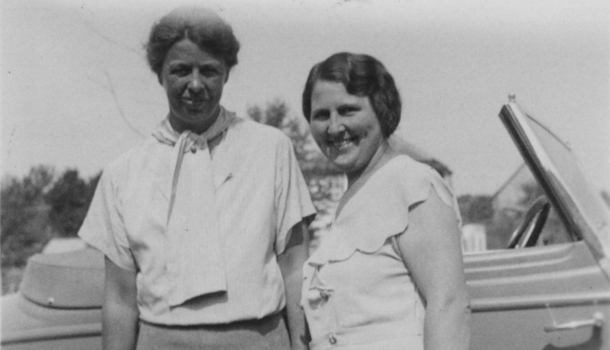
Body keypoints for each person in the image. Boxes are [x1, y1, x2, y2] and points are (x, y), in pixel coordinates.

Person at [78, 7, 315, 350]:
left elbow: (294, 266)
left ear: (226, 74)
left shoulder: (271, 149)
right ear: (159, 73)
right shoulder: (123, 174)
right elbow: (119, 298)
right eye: (180, 70)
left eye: (209, 71)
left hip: (260, 339)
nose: (195, 84)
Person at [300, 52, 470, 350]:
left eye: (348, 110)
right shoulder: (353, 199)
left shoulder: (413, 183)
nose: (334, 127)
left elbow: (449, 305)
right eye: (322, 115)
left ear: (382, 111)